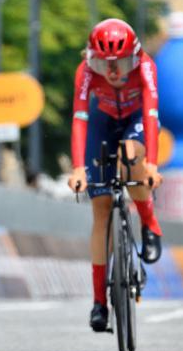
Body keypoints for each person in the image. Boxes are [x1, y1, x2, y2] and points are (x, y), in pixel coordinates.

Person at [67, 18, 164, 333]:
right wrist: (78, 168)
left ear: (134, 58)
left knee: (130, 156)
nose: (112, 72)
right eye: (103, 64)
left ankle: (150, 224)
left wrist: (152, 165)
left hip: (136, 119)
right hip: (103, 120)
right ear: (91, 58)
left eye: (120, 63)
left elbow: (151, 113)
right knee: (101, 209)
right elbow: (80, 118)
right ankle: (99, 302)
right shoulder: (85, 72)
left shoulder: (146, 67)